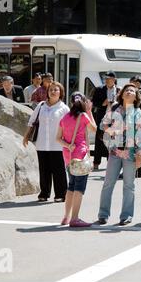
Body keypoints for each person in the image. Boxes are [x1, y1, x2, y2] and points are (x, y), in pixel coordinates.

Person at [97, 84, 141, 226]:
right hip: (114, 151)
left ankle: (126, 215)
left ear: (136, 96)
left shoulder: (139, 113)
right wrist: (111, 130)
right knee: (108, 183)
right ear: (122, 94)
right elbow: (102, 125)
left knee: (129, 185)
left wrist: (140, 155)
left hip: (131, 153)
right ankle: (103, 214)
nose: (129, 92)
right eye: (127, 90)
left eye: (132, 90)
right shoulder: (114, 109)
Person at [23, 81, 70, 203]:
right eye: (51, 90)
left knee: (59, 170)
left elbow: (70, 126)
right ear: (47, 92)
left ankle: (61, 193)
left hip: (58, 145)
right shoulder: (41, 106)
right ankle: (44, 193)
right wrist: (26, 136)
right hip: (42, 143)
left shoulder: (64, 108)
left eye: (56, 90)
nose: (53, 92)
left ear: (61, 93)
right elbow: (31, 121)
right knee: (44, 170)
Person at [56, 92, 97, 228]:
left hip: (68, 156)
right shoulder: (83, 116)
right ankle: (75, 218)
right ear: (84, 102)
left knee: (71, 186)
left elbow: (58, 138)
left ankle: (66, 217)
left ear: (71, 102)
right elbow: (94, 129)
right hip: (80, 156)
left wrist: (68, 145)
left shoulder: (65, 117)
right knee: (79, 188)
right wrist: (89, 111)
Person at [91, 71, 119, 170]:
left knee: (112, 140)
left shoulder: (119, 90)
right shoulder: (99, 89)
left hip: (114, 117)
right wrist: (103, 103)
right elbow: (94, 102)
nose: (107, 80)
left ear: (114, 80)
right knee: (99, 139)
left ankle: (110, 162)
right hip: (102, 116)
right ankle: (96, 163)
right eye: (106, 79)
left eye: (109, 79)